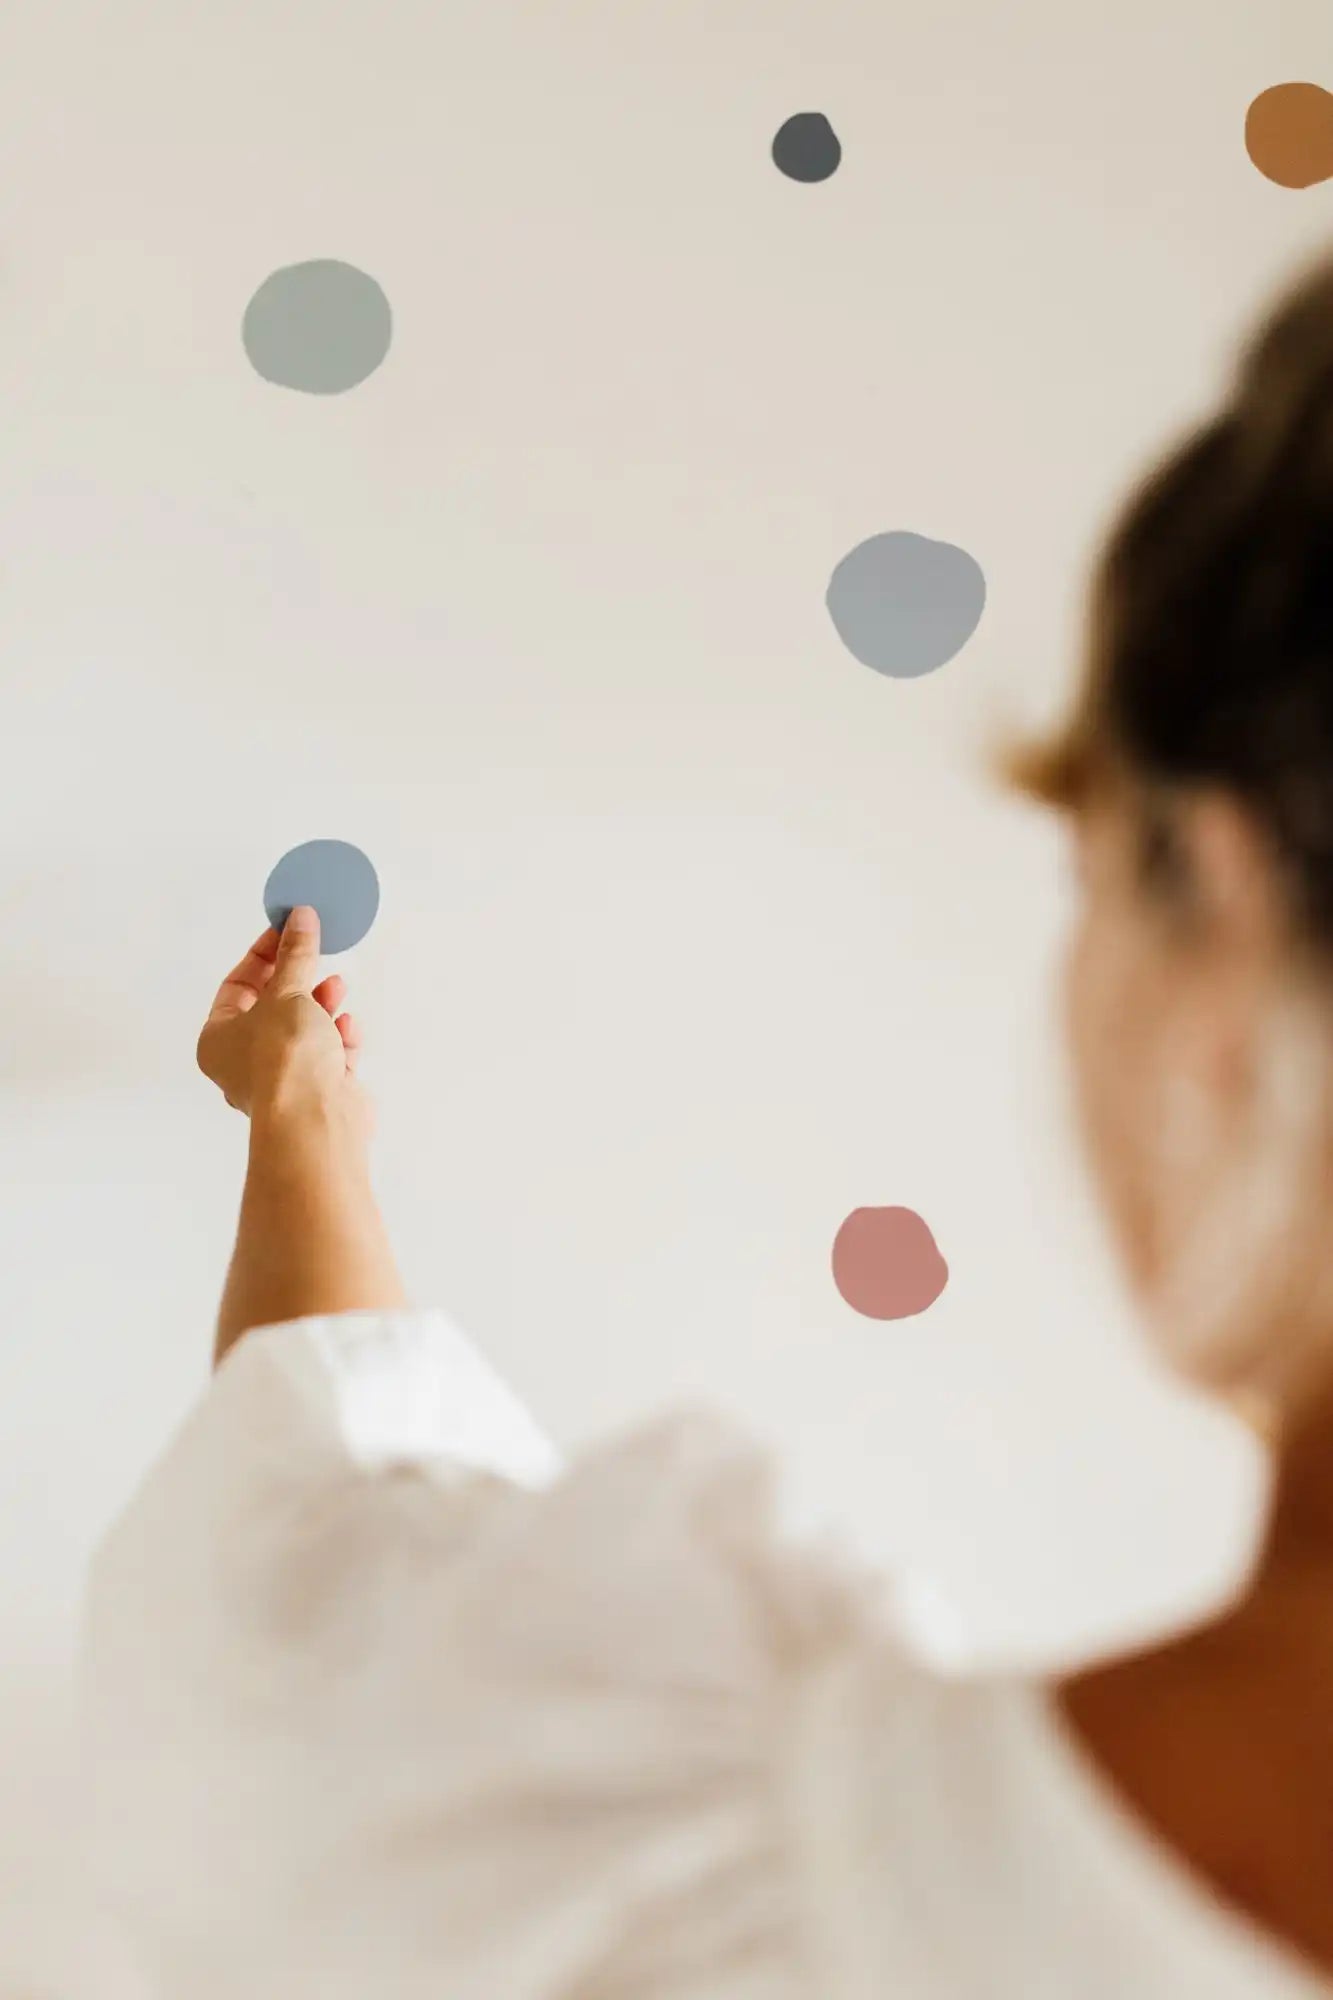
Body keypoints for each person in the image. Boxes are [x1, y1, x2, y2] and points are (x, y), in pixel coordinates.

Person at [76, 246, 1333, 2000]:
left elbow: (303, 1594)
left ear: (1221, 894)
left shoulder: (717, 1872)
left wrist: (301, 1129)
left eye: (1080, 856)